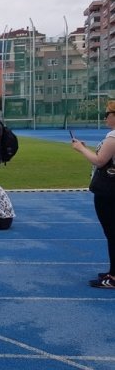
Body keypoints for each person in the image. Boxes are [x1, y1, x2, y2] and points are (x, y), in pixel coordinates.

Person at [71, 100, 115, 289]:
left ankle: (113, 277)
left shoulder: (113, 136)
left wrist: (81, 149)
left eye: (107, 114)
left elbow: (100, 160)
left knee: (112, 233)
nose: (105, 117)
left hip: (109, 191)